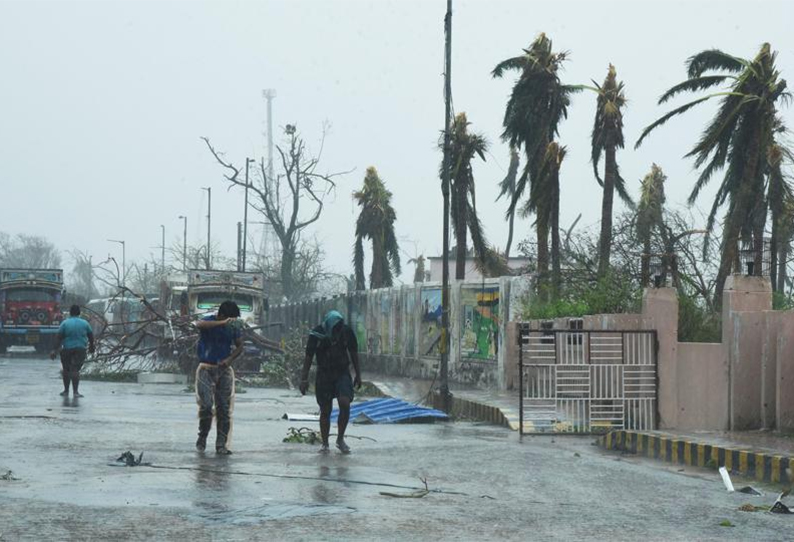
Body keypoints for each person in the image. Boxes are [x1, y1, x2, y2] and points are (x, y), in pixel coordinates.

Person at [301, 310, 362, 454]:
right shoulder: (316, 335)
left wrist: (358, 375)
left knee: (345, 403)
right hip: (324, 374)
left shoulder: (346, 332)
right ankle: (325, 443)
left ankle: (340, 439)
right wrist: (304, 379)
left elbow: (354, 353)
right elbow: (308, 357)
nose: (337, 332)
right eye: (335, 329)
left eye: (339, 328)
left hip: (342, 372)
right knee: (325, 410)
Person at [194, 300, 244, 455]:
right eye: (230, 319)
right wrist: (222, 323)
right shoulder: (209, 321)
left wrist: (229, 359)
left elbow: (240, 346)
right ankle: (202, 436)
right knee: (207, 406)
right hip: (205, 368)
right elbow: (199, 324)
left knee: (224, 408)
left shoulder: (233, 328)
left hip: (223, 369)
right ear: (222, 315)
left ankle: (221, 444)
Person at [49, 304, 95, 397]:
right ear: (79, 313)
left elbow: (59, 337)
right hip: (80, 349)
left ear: (70, 313)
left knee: (66, 370)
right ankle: (75, 392)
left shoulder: (65, 323)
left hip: (67, 349)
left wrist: (54, 350)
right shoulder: (85, 323)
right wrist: (91, 346)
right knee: (75, 370)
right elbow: (90, 336)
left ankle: (66, 391)